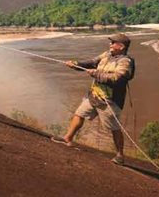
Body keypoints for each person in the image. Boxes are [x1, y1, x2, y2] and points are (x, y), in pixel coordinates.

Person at [52, 33, 135, 165]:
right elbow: (92, 62)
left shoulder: (126, 61)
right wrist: (76, 64)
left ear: (121, 46)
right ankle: (67, 138)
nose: (110, 44)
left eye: (113, 42)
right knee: (79, 114)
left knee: (114, 128)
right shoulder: (107, 55)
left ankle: (120, 155)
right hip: (94, 95)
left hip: (109, 100)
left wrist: (97, 74)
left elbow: (118, 79)